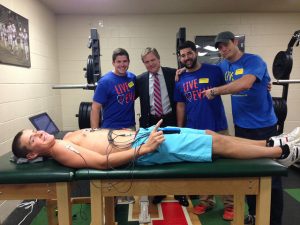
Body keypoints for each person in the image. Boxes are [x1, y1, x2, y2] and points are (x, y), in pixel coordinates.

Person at [202, 31, 281, 225]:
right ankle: (254, 214)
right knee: (249, 174)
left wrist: (215, 91)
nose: (223, 49)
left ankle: (274, 221)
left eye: (225, 45)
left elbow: (244, 84)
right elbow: (205, 73)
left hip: (264, 126)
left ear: (235, 42)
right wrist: (181, 73)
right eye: (219, 48)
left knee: (271, 176)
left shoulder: (254, 61)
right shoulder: (223, 65)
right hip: (242, 127)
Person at [12, 120, 300, 171]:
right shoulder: (61, 150)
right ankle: (281, 153)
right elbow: (102, 163)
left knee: (211, 133)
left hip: (143, 134)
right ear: (34, 152)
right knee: (215, 143)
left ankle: (270, 141)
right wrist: (147, 148)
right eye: (32, 139)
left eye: (34, 132)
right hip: (147, 146)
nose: (38, 133)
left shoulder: (63, 138)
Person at [175, 40, 232, 219]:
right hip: (195, 130)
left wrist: (263, 84)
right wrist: (179, 129)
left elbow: (232, 85)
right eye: (183, 55)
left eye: (189, 53)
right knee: (203, 169)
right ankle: (206, 201)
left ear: (196, 53)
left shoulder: (214, 71)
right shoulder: (180, 79)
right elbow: (181, 106)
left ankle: (230, 205)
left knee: (225, 169)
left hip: (218, 127)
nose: (186, 58)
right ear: (180, 58)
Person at [136, 47, 188, 206]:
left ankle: (180, 193)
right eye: (147, 62)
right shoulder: (140, 80)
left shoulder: (174, 74)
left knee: (177, 155)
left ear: (159, 59)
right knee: (155, 157)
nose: (150, 64)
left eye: (153, 60)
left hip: (171, 119)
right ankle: (159, 192)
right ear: (144, 64)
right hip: (151, 123)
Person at [90, 48, 136, 129]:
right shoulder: (105, 82)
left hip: (130, 127)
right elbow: (95, 108)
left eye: (125, 61)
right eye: (118, 62)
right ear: (113, 63)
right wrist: (94, 132)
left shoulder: (132, 78)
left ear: (129, 62)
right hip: (111, 128)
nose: (122, 65)